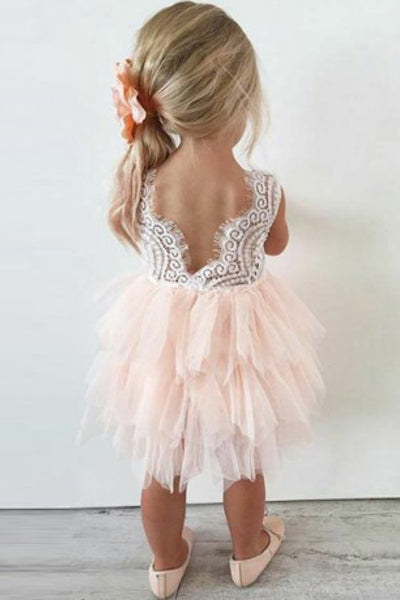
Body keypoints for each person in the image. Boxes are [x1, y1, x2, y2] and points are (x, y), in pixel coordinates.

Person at [76, 2, 326, 597]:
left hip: (162, 338)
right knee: (244, 452)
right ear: (241, 99)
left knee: (164, 457)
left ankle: (166, 562)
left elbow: (137, 234)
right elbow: (278, 244)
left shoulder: (142, 179)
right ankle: (247, 551)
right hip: (242, 343)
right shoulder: (261, 189)